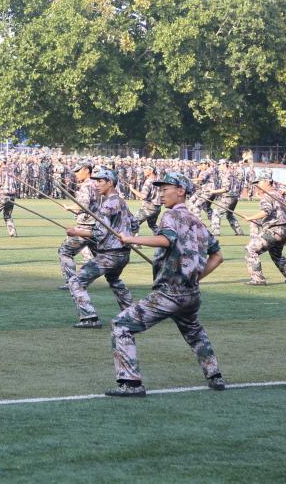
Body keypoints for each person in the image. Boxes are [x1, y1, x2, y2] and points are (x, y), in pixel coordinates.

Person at [109, 171, 226, 397]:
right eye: (160, 190)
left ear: (180, 191)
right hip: (191, 293)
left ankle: (130, 384)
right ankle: (215, 376)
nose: (161, 194)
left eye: (165, 190)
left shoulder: (170, 215)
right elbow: (218, 256)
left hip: (169, 293)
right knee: (194, 333)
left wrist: (131, 239)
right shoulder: (198, 222)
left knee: (121, 325)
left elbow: (166, 239)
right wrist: (195, 277)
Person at [65, 167, 135, 329]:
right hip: (124, 253)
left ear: (110, 183)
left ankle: (90, 317)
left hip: (110, 255)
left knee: (76, 281)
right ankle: (132, 313)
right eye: (96, 181)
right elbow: (134, 223)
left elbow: (99, 233)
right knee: (114, 280)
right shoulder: (121, 202)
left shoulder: (108, 204)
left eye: (100, 181)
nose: (96, 184)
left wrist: (76, 231)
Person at [240, 171, 286, 285]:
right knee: (277, 255)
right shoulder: (277, 193)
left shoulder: (267, 195)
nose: (257, 185)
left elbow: (266, 211)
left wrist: (250, 218)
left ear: (267, 182)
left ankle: (258, 279)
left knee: (251, 249)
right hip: (285, 230)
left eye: (259, 182)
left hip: (275, 231)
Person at [56, 160, 99, 288]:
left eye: (78, 171)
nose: (76, 174)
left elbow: (83, 206)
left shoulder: (86, 186)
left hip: (85, 228)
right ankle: (114, 280)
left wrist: (69, 207)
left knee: (65, 251)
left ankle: (72, 282)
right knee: (101, 257)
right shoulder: (97, 184)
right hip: (98, 226)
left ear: (87, 170)